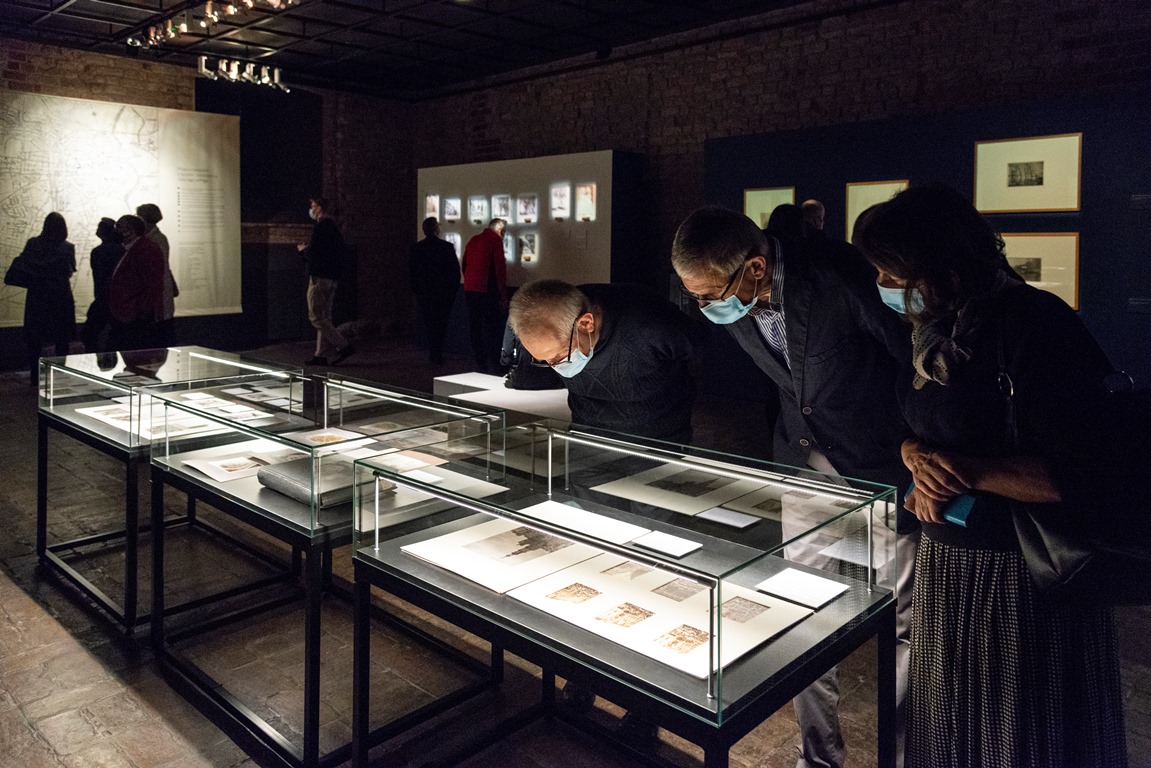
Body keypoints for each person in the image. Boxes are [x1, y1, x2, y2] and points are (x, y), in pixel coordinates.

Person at [853, 185, 1127, 768]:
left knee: (1018, 728)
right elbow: (920, 426)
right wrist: (912, 456)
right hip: (951, 567)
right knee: (954, 724)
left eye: (889, 270)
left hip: (1023, 576)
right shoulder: (934, 330)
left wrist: (965, 473)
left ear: (938, 265)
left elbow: (1077, 472)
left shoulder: (1036, 325)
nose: (881, 284)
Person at [671, 206, 917, 768]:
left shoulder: (836, 275)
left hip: (883, 464)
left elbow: (909, 355)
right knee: (801, 617)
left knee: (907, 627)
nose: (709, 308)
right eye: (697, 297)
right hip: (803, 464)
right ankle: (818, 757)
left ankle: (906, 756)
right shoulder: (732, 295)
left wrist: (915, 446)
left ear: (756, 267)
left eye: (712, 294)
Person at [508, 279, 700, 445]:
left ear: (586, 324)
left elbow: (700, 356)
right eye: (544, 360)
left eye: (559, 357)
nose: (554, 366)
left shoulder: (649, 322)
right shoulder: (547, 329)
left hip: (660, 442)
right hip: (587, 438)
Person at [16, 212, 76, 384]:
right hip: (60, 295)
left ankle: (35, 376)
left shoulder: (33, 244)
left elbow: (24, 265)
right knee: (61, 337)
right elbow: (69, 271)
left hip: (37, 295)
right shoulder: (67, 247)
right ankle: (60, 373)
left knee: (34, 337)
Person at [298, 196, 354, 367]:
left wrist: (303, 251)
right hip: (332, 277)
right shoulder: (334, 229)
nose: (311, 209)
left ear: (320, 208)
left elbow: (314, 253)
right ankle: (320, 354)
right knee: (325, 316)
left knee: (315, 316)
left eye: (313, 206)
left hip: (319, 277)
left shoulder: (321, 227)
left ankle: (343, 345)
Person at [108, 214, 166, 352]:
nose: (116, 230)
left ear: (131, 230)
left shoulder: (146, 249)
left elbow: (153, 285)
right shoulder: (130, 249)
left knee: (137, 356)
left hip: (136, 318)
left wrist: (138, 311)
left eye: (119, 227)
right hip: (129, 316)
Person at [408, 216, 460, 364]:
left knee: (429, 322)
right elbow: (455, 272)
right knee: (441, 323)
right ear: (436, 229)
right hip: (443, 293)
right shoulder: (447, 247)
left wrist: (417, 291)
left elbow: (412, 273)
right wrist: (452, 291)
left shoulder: (416, 249)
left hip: (425, 293)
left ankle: (434, 352)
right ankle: (437, 352)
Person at [461, 218, 508, 374]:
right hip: (487, 290)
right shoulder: (495, 241)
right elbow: (500, 270)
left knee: (475, 326)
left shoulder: (474, 240)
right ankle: (495, 362)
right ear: (500, 231)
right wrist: (503, 296)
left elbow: (464, 264)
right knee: (492, 327)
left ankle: (479, 361)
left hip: (470, 289)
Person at [136, 203, 177, 345]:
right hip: (157, 291)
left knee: (160, 334)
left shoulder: (156, 240)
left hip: (157, 292)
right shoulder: (157, 238)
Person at [81, 217, 125, 353]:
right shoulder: (122, 250)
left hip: (103, 299)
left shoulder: (99, 252)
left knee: (89, 334)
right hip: (117, 300)